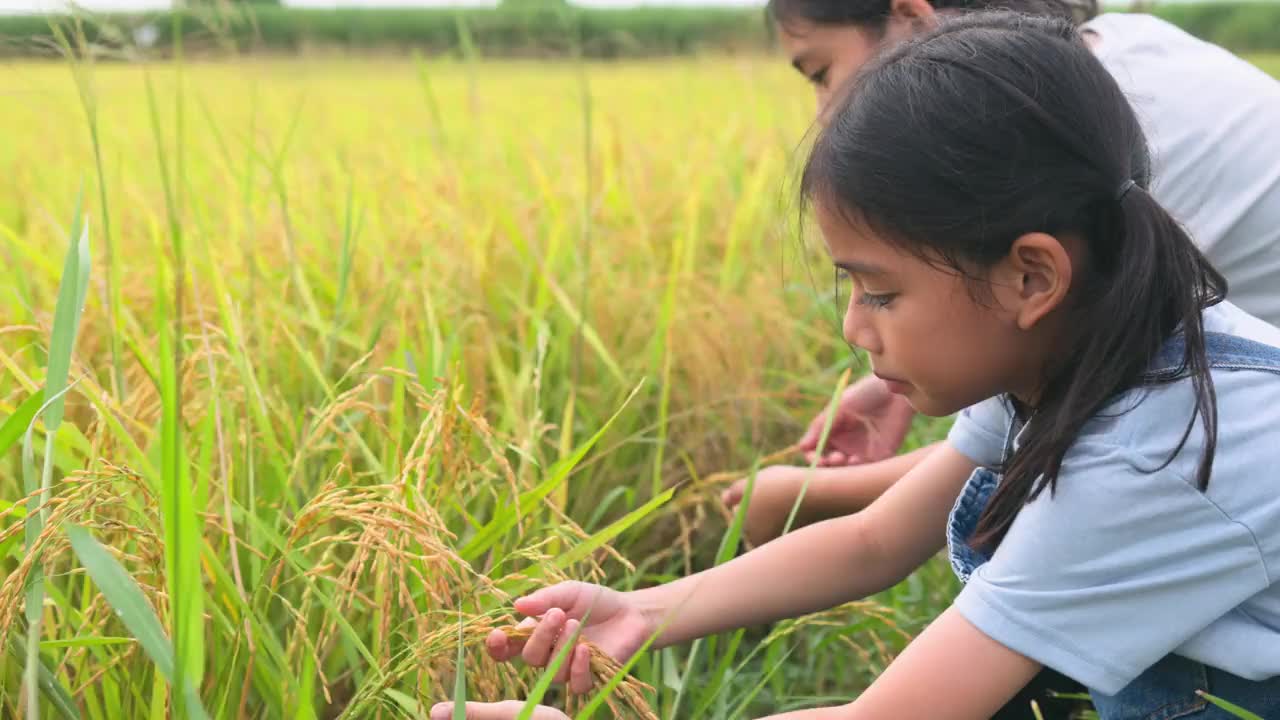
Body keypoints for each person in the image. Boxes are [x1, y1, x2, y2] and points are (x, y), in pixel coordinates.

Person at [433, 12, 1280, 720]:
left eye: (879, 293)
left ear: (1032, 274)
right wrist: (642, 613)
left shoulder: (1161, 453)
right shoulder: (1097, 334)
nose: (853, 332)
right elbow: (876, 539)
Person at [723, 0, 1280, 553]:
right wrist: (889, 387)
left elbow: (1076, 438)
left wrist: (809, 494)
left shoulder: (1092, 159)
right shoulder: (1106, 65)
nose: (823, 114)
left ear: (913, 18)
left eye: (822, 75)